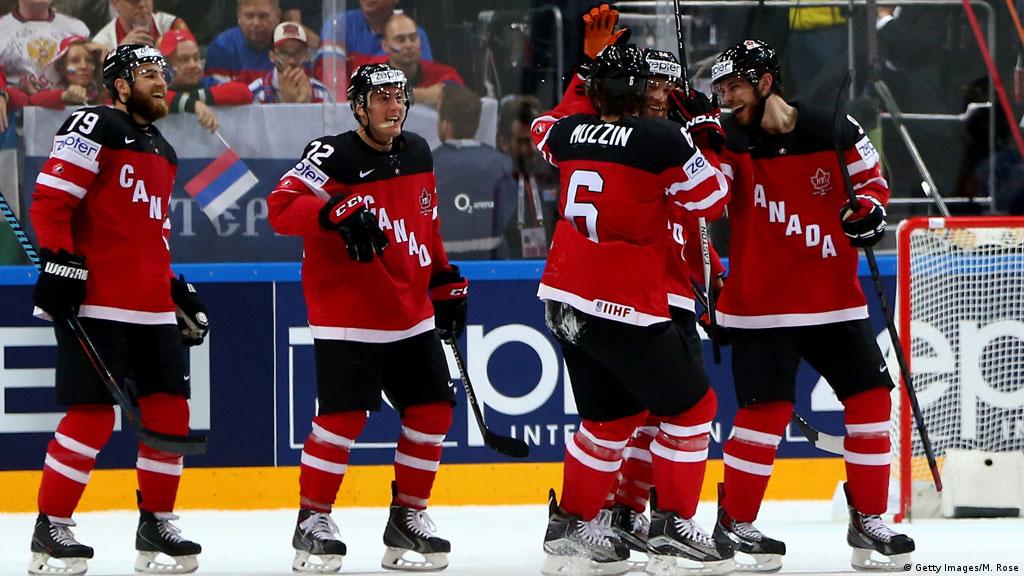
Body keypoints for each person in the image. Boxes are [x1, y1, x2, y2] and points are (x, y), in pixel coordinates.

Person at [708, 39, 914, 572]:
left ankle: (868, 518)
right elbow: (707, 200)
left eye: (735, 87)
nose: (727, 98)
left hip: (834, 302)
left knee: (871, 401)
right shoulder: (725, 138)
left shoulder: (834, 128)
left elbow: (872, 185)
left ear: (766, 82)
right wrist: (700, 140)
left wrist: (869, 213)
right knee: (765, 414)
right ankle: (735, 521)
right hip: (759, 307)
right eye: (721, 90)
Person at [531, 43, 733, 576]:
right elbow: (712, 198)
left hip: (564, 295)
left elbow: (540, 129)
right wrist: (706, 136)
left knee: (609, 419)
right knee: (693, 410)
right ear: (637, 91)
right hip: (622, 301)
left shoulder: (568, 131)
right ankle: (672, 525)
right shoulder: (661, 139)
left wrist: (584, 80)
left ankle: (569, 528)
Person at [267, 62, 467, 574]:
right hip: (348, 313)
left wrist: (442, 278)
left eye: (399, 97)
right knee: (343, 419)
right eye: (381, 98)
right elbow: (280, 208)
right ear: (359, 107)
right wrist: (331, 212)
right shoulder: (332, 153)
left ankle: (408, 517)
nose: (393, 107)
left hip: (410, 311)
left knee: (432, 412)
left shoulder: (418, 151)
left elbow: (426, 223)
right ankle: (312, 520)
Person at [26, 43, 209, 575]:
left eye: (163, 72)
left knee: (170, 415)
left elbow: (150, 233)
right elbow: (51, 202)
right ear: (121, 85)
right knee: (91, 416)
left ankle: (157, 524)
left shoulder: (163, 150)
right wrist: (60, 261)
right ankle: (50, 528)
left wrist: (172, 288)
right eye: (148, 73)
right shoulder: (94, 124)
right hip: (96, 302)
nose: (161, 81)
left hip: (151, 308)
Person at [433, 83, 516, 259]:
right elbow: (510, 214)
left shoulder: (429, 165)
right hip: (494, 265)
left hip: (443, 266)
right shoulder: (503, 164)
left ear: (447, 125)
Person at [351, 13, 462, 108]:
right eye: (400, 40)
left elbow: (459, 97)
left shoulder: (441, 73)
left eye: (413, 38)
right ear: (385, 45)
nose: (409, 45)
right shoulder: (370, 74)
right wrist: (419, 95)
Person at [0, 0, 90, 94]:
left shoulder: (77, 28)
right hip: (12, 100)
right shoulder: (2, 27)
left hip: (71, 100)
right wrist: (17, 90)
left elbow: (92, 76)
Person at [160, 28, 253, 115]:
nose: (193, 65)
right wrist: (192, 105)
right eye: (184, 60)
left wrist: (197, 97)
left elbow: (245, 93)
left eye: (196, 58)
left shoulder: (206, 83)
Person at [249, 21, 330, 103]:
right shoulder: (255, 93)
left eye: (298, 53)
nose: (292, 61)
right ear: (272, 56)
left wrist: (306, 104)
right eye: (284, 53)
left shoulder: (322, 93)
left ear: (307, 55)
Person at [205, 0, 280, 85]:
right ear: (239, 17)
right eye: (249, 16)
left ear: (277, 16)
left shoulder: (288, 45)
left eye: (263, 16)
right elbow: (217, 92)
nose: (256, 23)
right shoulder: (221, 46)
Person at [27, 35, 106, 108]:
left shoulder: (105, 94)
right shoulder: (51, 93)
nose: (84, 66)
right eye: (75, 61)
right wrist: (65, 96)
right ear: (61, 68)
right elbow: (32, 101)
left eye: (89, 60)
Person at [91, 0, 190, 50]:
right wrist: (120, 54)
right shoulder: (102, 43)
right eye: (133, 0)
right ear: (115, 3)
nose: (142, 4)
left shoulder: (172, 26)